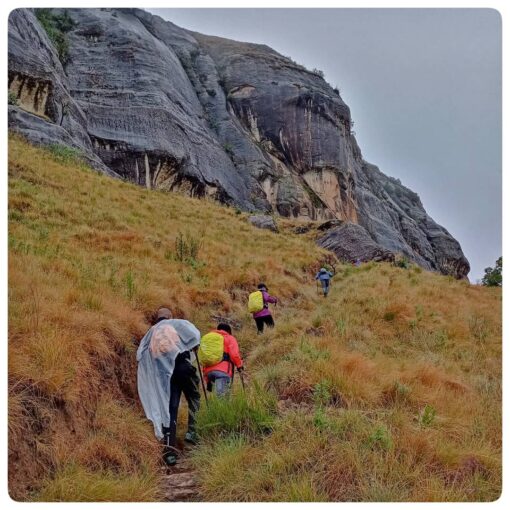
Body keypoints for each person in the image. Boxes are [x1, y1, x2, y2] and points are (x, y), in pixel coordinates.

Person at [136, 307, 201, 467]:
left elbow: (141, 355)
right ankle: (192, 431)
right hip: (183, 367)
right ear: (169, 316)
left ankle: (170, 453)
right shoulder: (174, 324)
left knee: (170, 411)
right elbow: (195, 335)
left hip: (166, 377)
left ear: (157, 318)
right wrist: (194, 346)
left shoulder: (150, 334)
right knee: (194, 396)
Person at [202, 323, 244, 396]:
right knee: (222, 398)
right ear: (228, 331)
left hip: (208, 373)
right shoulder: (229, 338)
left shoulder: (210, 339)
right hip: (222, 372)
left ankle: (217, 407)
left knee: (220, 396)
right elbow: (234, 354)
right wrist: (239, 365)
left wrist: (207, 380)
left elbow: (205, 359)